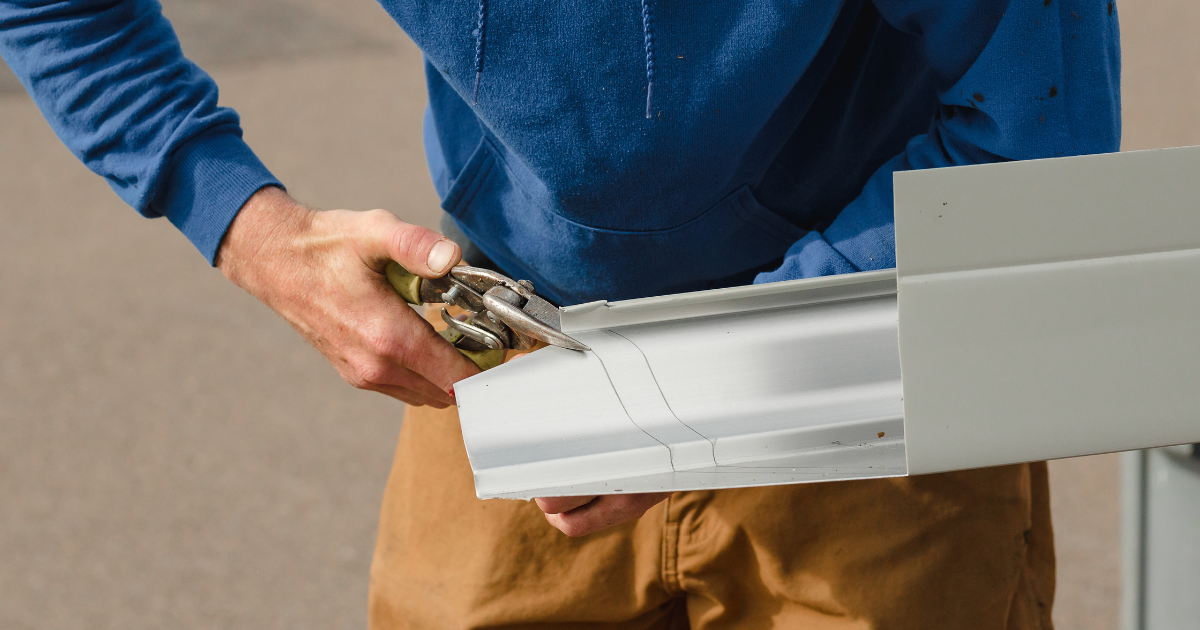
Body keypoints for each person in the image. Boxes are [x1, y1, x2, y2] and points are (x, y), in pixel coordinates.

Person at [0, 0, 1119, 627]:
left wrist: (709, 395)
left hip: (874, 364)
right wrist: (254, 233)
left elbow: (1035, 151)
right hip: (521, 369)